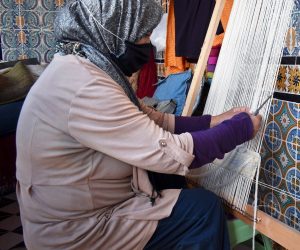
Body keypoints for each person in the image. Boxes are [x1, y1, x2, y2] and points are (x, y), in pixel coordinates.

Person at [15, 0, 262, 249]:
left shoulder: (82, 66)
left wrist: (214, 121)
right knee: (203, 210)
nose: (149, 44)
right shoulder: (85, 85)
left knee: (166, 179)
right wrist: (240, 129)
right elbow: (174, 154)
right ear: (113, 31)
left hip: (74, 215)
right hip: (79, 232)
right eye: (143, 35)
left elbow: (153, 120)